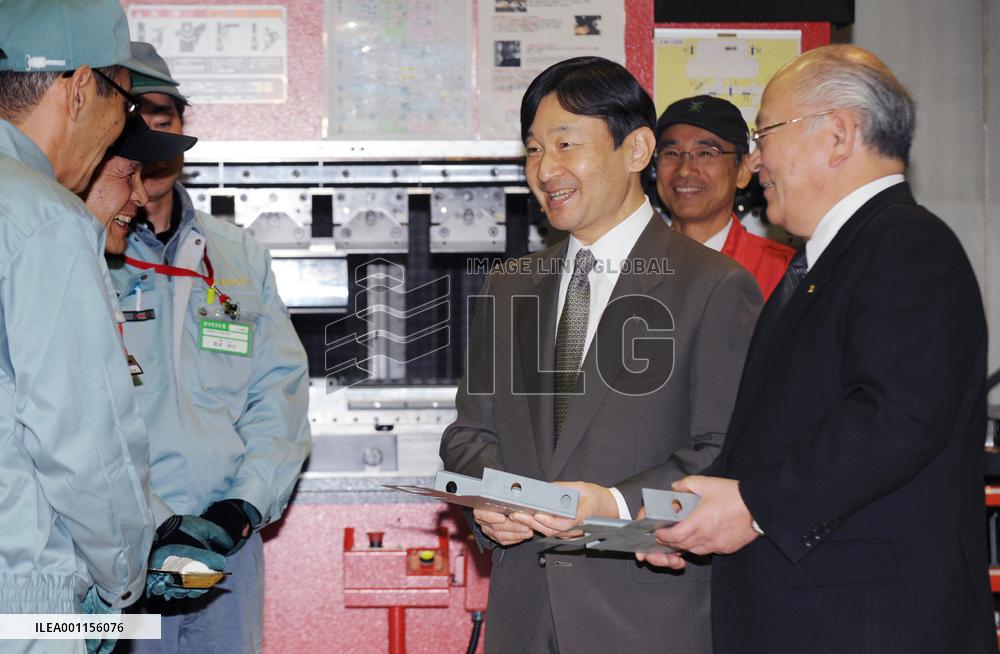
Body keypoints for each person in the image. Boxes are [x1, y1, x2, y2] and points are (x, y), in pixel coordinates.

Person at [643, 45, 997, 654]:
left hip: (869, 623)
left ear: (837, 135)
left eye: (765, 133)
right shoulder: (825, 261)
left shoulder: (907, 246)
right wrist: (695, 515)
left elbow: (899, 413)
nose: (756, 159)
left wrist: (752, 506)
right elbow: (784, 428)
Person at [439, 56, 762, 653]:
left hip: (645, 620)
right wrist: (491, 500)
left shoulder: (710, 285)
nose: (545, 169)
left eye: (566, 144)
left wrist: (611, 504)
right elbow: (470, 431)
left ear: (636, 150)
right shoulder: (512, 284)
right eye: (533, 150)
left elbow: (724, 452)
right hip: (524, 617)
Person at [104, 43, 311, 654]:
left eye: (161, 114)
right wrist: (153, 520)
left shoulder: (237, 254)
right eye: (132, 115)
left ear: (181, 125)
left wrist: (242, 507)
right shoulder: (84, 247)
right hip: (116, 547)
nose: (149, 132)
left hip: (225, 550)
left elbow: (280, 394)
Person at [0, 0, 180, 635]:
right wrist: (123, 578)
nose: (118, 128)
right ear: (81, 89)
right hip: (21, 591)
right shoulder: (43, 216)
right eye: (122, 105)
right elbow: (81, 438)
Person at [654, 94, 794, 298]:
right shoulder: (628, 264)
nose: (684, 170)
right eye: (672, 153)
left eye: (705, 153)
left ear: (743, 171)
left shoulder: (782, 271)